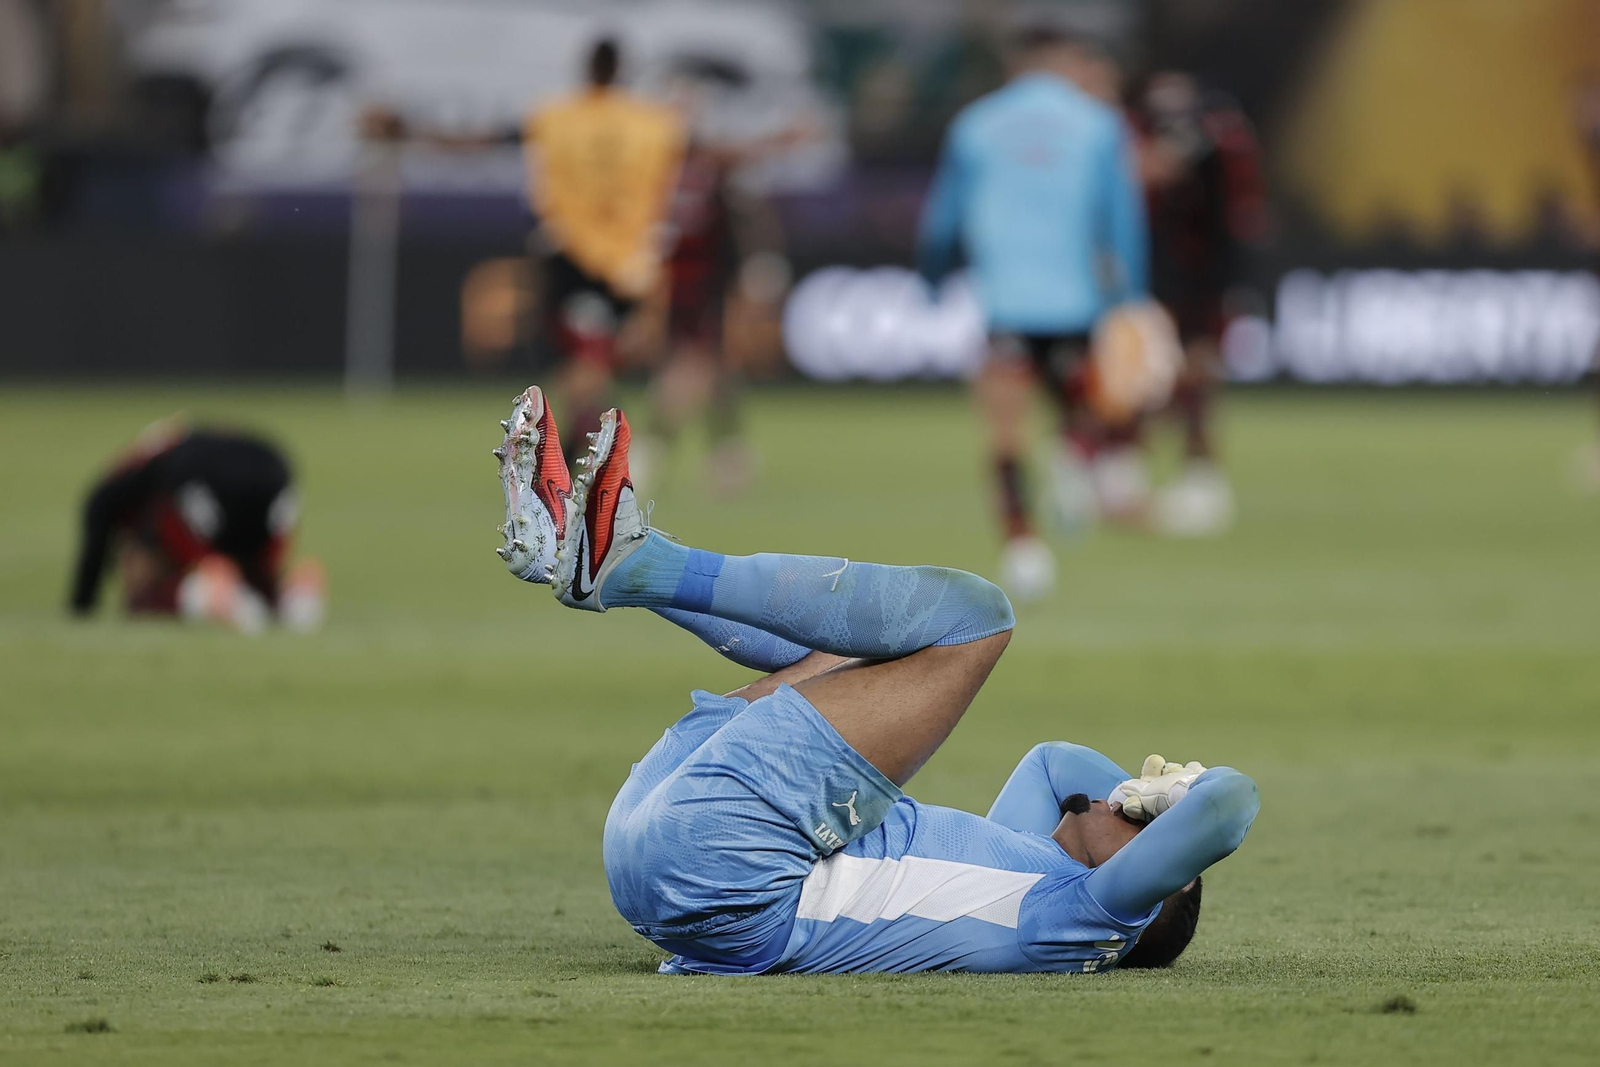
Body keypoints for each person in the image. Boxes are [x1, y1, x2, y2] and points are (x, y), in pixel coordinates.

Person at [489, 385, 1258, 974]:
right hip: (665, 857)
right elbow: (1053, 761)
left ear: (1151, 881)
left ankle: (634, 563)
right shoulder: (1026, 862)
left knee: (978, 618)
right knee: (870, 653)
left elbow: (1233, 804)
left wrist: (1185, 798)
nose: (1124, 796)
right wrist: (1139, 797)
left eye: (1144, 825)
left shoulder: (1088, 917)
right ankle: (581, 558)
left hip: (732, 866)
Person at [917, 25, 1149, 601]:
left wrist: (932, 278)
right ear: (1064, 62)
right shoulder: (1097, 123)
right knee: (1079, 406)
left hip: (1007, 302)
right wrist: (1131, 297)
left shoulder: (976, 122)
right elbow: (1121, 219)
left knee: (1004, 430)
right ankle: (1074, 465)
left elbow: (943, 217)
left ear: (1015, 64)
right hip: (1077, 301)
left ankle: (1023, 547)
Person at [1135, 72, 1267, 535]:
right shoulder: (1141, 143)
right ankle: (1133, 472)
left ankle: (1200, 476)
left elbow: (1238, 216)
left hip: (1203, 283)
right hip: (1160, 278)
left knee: (1196, 378)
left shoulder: (1220, 146)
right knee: (1149, 381)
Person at [68, 421, 323, 632]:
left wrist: (83, 600)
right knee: (259, 569)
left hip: (200, 486)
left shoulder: (134, 472)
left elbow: (98, 508)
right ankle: (292, 595)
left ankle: (208, 594)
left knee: (145, 597)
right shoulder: (195, 443)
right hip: (276, 474)